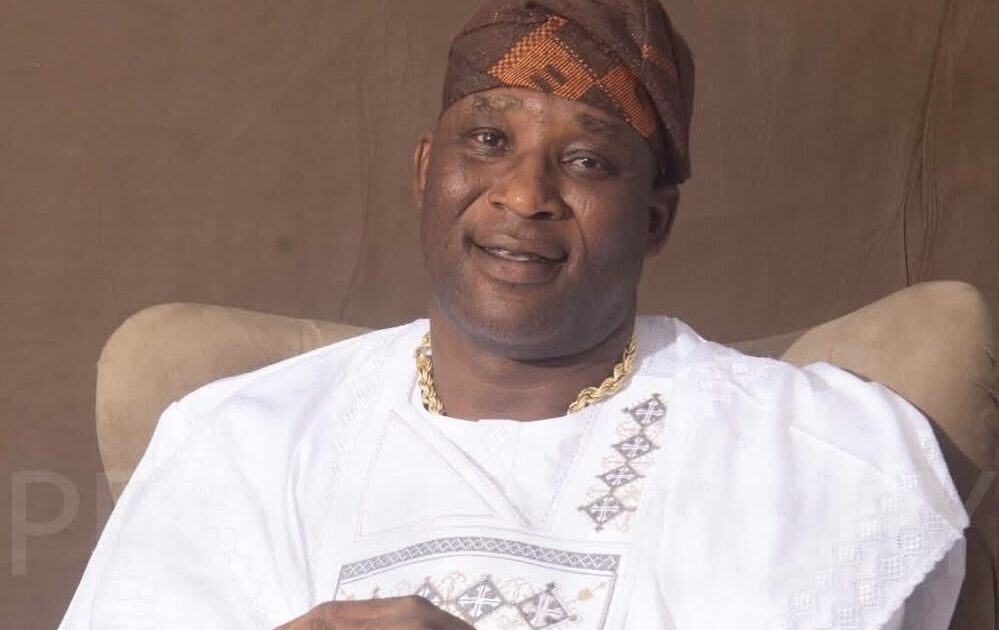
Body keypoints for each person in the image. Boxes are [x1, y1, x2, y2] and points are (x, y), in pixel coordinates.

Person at [60, 0, 969, 628]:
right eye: (489, 140)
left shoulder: (813, 456)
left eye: (587, 162)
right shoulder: (240, 442)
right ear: (427, 171)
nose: (524, 194)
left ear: (654, 220)